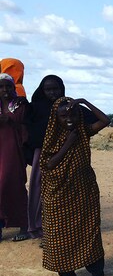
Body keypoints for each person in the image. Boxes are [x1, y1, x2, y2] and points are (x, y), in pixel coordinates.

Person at [40, 97, 110, 276]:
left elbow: (105, 121)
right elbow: (48, 164)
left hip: (83, 192)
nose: (69, 119)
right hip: (57, 195)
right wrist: (68, 144)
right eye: (63, 116)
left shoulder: (83, 131)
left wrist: (83, 101)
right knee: (57, 236)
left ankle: (97, 275)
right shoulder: (52, 137)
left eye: (72, 114)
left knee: (88, 232)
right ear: (56, 118)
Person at [25, 75, 67, 240]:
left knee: (62, 190)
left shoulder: (67, 107)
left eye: (55, 89)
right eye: (48, 89)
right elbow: (28, 131)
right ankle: (39, 226)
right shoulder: (34, 108)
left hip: (65, 152)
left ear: (61, 89)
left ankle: (60, 227)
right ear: (42, 91)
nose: (52, 93)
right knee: (39, 187)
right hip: (41, 154)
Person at [0, 73, 29, 242]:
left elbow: (25, 124)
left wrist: (9, 120)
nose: (5, 90)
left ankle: (24, 225)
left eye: (8, 86)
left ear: (13, 87)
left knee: (12, 185)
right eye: (1, 86)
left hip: (13, 150)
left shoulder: (20, 104)